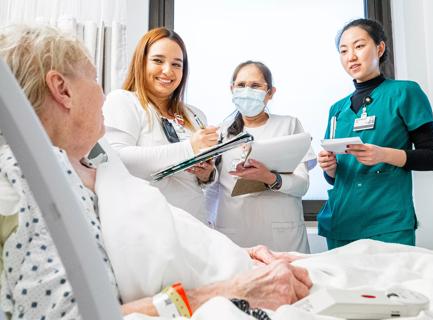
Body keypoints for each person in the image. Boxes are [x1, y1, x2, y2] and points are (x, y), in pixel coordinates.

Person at [0, 25, 311, 319]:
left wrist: (240, 253)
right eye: (95, 80)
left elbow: (161, 219)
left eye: (177, 64)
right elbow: (83, 313)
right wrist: (232, 291)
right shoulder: (27, 185)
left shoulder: (89, 163)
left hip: (218, 255)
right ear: (62, 90)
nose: (104, 96)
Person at [316, 19, 433, 250]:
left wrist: (382, 154)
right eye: (343, 51)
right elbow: (336, 177)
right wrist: (329, 167)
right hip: (341, 222)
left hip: (387, 222)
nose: (351, 56)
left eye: (359, 46)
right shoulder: (337, 110)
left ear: (380, 48)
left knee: (390, 287)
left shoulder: (405, 92)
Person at [103, 27, 218, 224]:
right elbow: (117, 158)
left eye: (176, 64)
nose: (168, 71)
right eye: (158, 60)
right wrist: (189, 148)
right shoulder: (123, 101)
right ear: (141, 62)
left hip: (196, 226)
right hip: (150, 226)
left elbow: (198, 180)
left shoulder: (195, 115)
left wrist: (207, 173)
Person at [208, 61, 316, 253]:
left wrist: (269, 178)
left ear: (270, 92)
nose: (247, 91)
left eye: (256, 86)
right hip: (234, 237)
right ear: (232, 89)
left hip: (283, 239)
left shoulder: (289, 126)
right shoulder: (220, 134)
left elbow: (302, 186)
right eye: (241, 85)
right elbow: (211, 193)